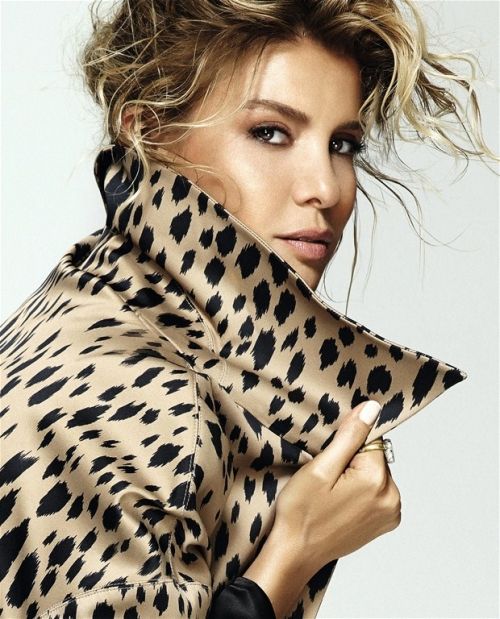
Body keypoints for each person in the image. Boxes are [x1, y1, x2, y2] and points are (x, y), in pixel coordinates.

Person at [0, 1, 496, 618]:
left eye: (342, 144)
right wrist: (289, 558)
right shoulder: (142, 397)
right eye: (270, 133)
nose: (326, 188)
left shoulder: (104, 298)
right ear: (145, 132)